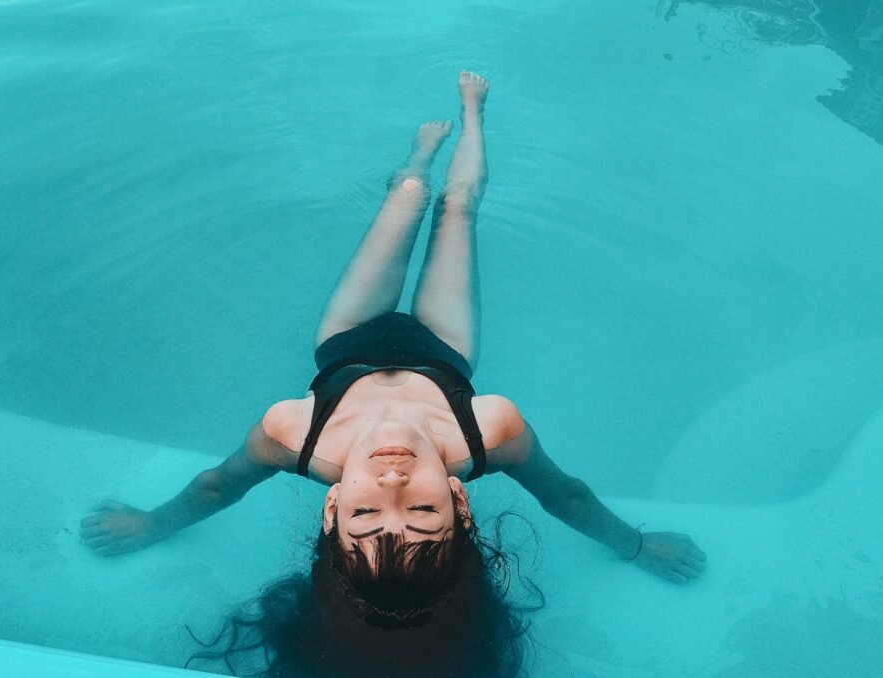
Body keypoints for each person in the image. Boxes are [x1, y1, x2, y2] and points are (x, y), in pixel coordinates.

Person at [80, 71, 706, 675]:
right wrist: (637, 545)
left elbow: (218, 485)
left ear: (332, 512)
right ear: (458, 500)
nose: (392, 484)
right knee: (457, 207)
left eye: (366, 516)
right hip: (444, 346)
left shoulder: (297, 432)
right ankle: (470, 119)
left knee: (408, 197)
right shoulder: (487, 429)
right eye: (423, 511)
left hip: (348, 339)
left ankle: (417, 157)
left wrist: (150, 524)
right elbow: (565, 492)